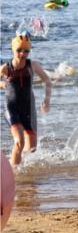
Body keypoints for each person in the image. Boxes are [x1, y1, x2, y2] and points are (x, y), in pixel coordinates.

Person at [1, 34, 52, 166]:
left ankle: (21, 170)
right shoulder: (6, 68)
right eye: (19, 50)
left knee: (31, 149)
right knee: (19, 142)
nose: (22, 54)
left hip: (27, 109)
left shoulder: (32, 66)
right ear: (13, 50)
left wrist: (47, 100)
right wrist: (2, 84)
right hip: (11, 108)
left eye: (26, 51)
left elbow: (47, 80)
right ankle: (14, 172)